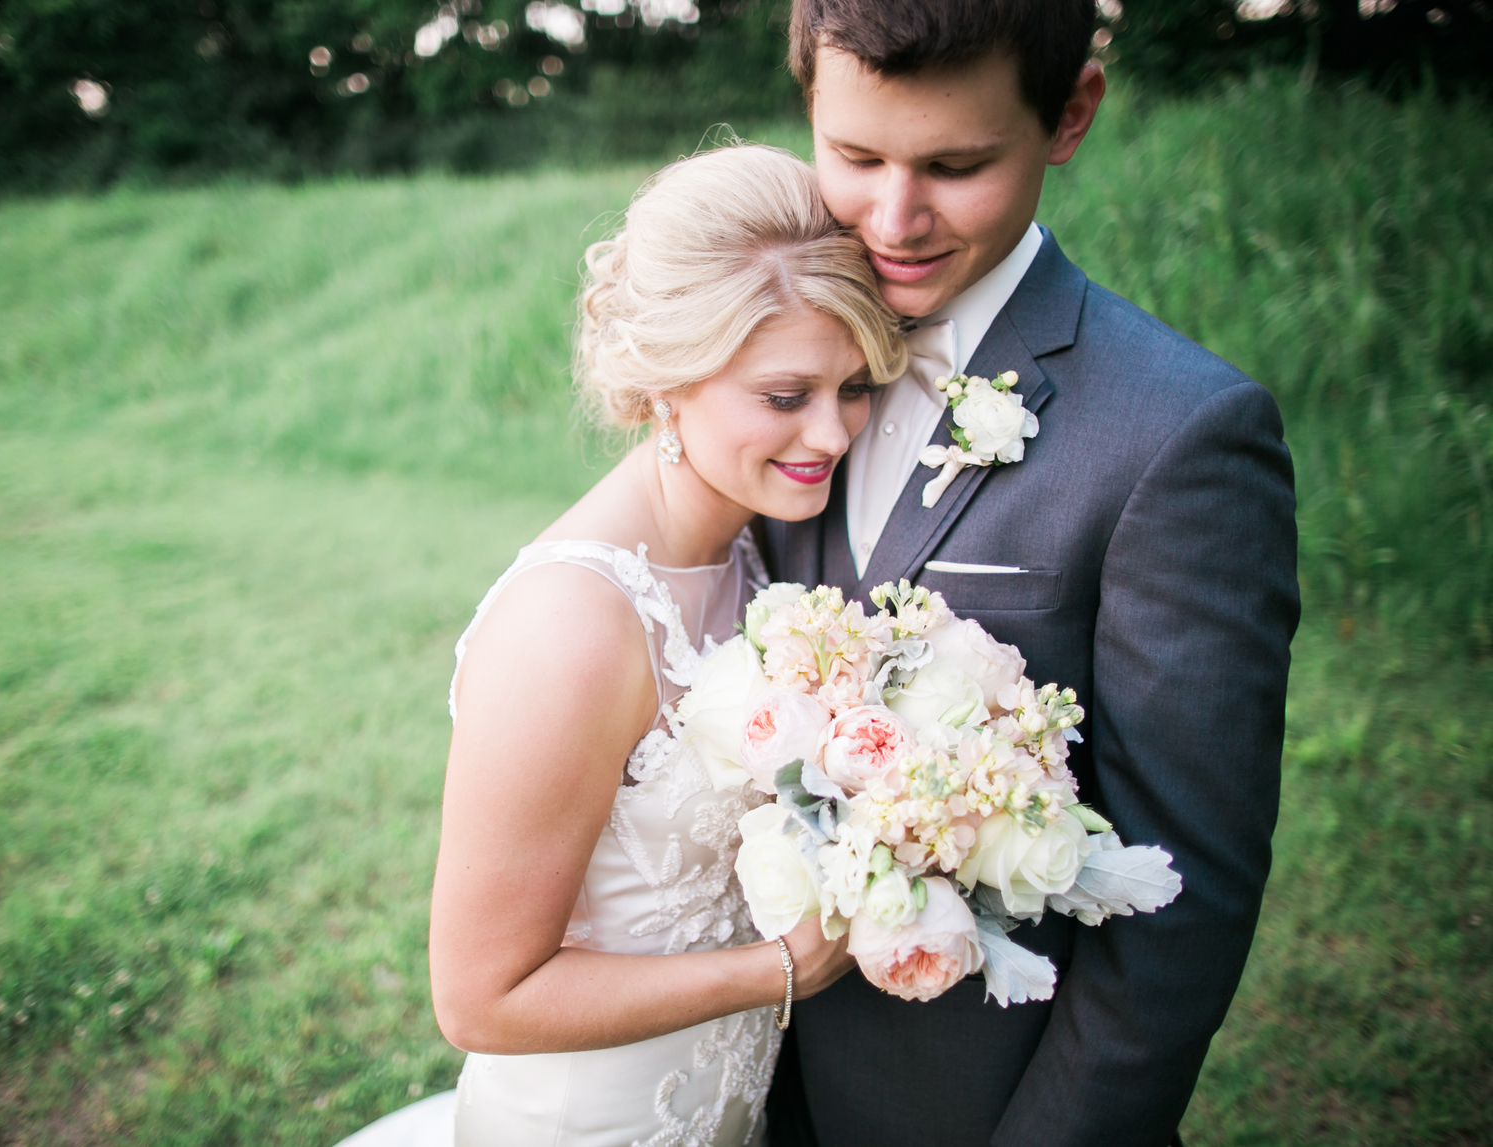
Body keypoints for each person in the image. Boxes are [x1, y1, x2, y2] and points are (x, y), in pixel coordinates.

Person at [759, 2, 1301, 1145]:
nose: (892, 218)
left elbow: (1178, 902)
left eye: (955, 166)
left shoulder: (1179, 434)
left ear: (1070, 115)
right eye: (855, 157)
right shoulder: (764, 363)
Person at [334, 144, 909, 1147]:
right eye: (785, 396)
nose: (832, 433)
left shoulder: (758, 550)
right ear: (663, 381)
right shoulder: (571, 627)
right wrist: (779, 969)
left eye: (854, 387)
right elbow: (481, 997)